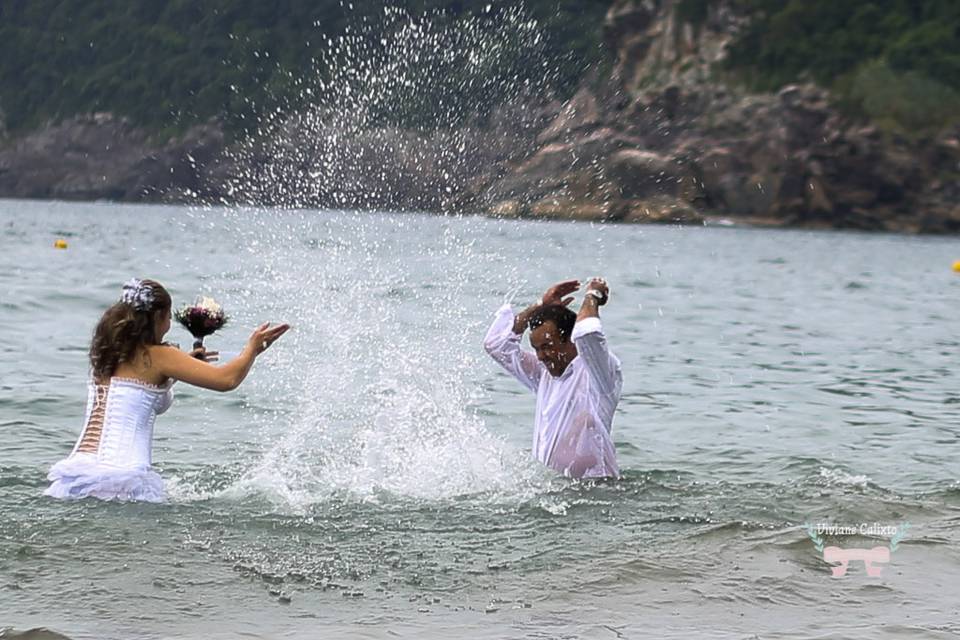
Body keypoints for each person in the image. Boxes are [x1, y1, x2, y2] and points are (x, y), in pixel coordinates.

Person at [45, 278, 289, 502]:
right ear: (156, 317)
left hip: (76, 474)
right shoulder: (160, 356)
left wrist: (181, 369)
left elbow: (138, 391)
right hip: (122, 478)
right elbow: (227, 380)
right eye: (168, 317)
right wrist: (252, 349)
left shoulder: (106, 354)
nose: (170, 323)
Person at [483, 278, 622, 479]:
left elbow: (588, 332)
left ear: (570, 340)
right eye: (536, 349)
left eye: (547, 346)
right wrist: (541, 305)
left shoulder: (599, 374)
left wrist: (593, 295)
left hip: (598, 492)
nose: (540, 356)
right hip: (554, 492)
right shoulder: (544, 375)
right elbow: (496, 344)